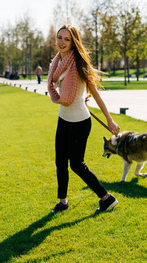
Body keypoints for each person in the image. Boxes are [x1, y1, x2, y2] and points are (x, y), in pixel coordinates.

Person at [47, 24, 121, 213]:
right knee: (60, 162)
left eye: (66, 39)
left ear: (73, 42)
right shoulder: (55, 63)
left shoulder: (79, 64)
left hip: (80, 122)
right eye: (59, 38)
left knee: (77, 165)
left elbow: (95, 93)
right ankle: (63, 201)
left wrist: (110, 120)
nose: (61, 42)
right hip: (63, 118)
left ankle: (106, 198)